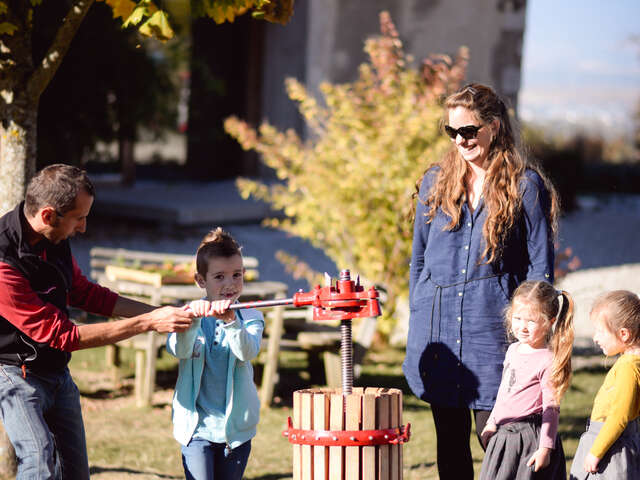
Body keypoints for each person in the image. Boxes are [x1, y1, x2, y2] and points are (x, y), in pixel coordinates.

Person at [403, 83, 559, 479]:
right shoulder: (435, 182)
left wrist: (535, 335)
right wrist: (420, 308)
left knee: (501, 441)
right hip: (438, 329)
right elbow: (418, 257)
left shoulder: (525, 186)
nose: (461, 140)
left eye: (469, 131)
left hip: (494, 333)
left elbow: (540, 269)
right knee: (450, 445)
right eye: (452, 132)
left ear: (493, 126)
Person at [0, 164, 194, 479]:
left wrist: (158, 311)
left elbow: (84, 293)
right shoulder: (3, 260)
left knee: (76, 473)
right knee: (39, 461)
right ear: (48, 215)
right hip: (16, 374)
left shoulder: (54, 237)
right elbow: (61, 334)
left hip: (56, 372)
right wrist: (147, 324)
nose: (84, 228)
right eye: (79, 218)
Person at [166, 227, 263, 480]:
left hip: (236, 430)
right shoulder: (188, 314)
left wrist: (232, 322)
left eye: (236, 275)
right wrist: (192, 321)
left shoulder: (251, 316)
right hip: (196, 428)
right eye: (219, 277)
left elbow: (247, 351)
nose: (230, 284)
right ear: (201, 281)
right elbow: (179, 350)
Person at [479, 281, 574, 480]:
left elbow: (551, 407)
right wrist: (492, 422)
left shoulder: (547, 360)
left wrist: (545, 448)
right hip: (505, 436)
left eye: (531, 321)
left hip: (530, 440)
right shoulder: (514, 350)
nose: (522, 327)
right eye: (517, 318)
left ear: (550, 321)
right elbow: (505, 391)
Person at [569, 290, 640, 479]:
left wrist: (595, 452)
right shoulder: (631, 363)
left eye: (600, 331)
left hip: (611, 451)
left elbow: (619, 417)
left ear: (623, 334)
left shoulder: (628, 368)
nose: (595, 337)